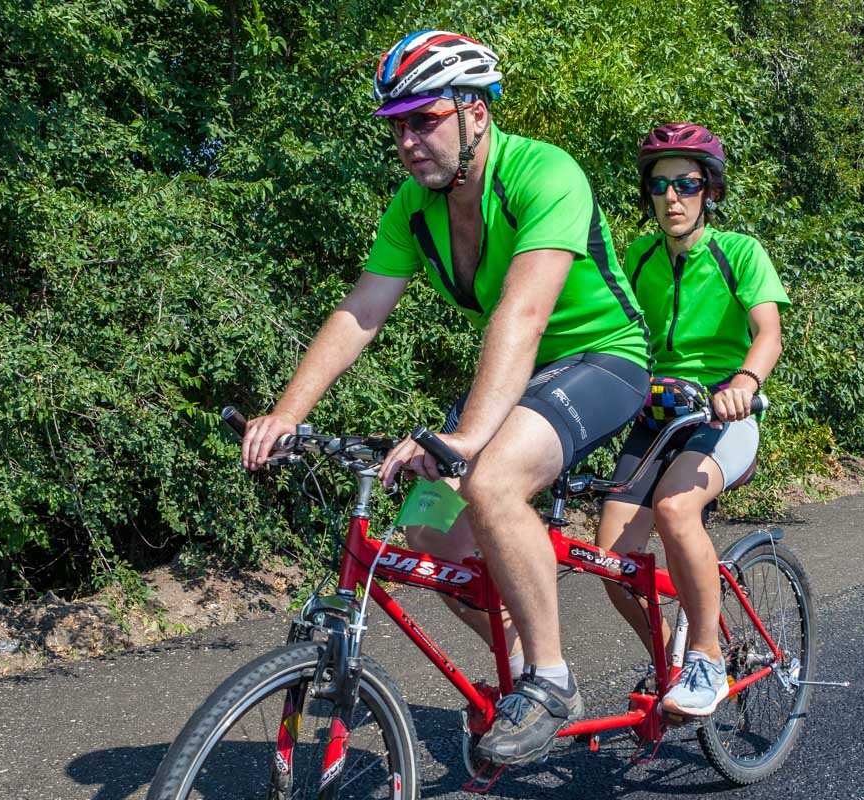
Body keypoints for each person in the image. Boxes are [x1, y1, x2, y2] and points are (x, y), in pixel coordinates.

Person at [241, 30, 651, 765]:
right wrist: (288, 413)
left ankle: (552, 683)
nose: (407, 140)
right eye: (396, 124)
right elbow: (361, 311)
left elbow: (522, 316)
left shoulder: (543, 172)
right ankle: (527, 650)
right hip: (514, 372)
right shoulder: (414, 206)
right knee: (432, 532)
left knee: (490, 483)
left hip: (601, 359)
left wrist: (467, 441)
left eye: (423, 118)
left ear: (476, 112)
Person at [594, 123, 791, 718]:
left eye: (686, 183)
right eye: (660, 185)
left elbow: (768, 332)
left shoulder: (738, 253)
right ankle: (668, 659)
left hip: (722, 414)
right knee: (611, 559)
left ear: (709, 189)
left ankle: (705, 655)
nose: (672, 197)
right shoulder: (640, 253)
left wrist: (743, 384)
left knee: (678, 510)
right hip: (657, 413)